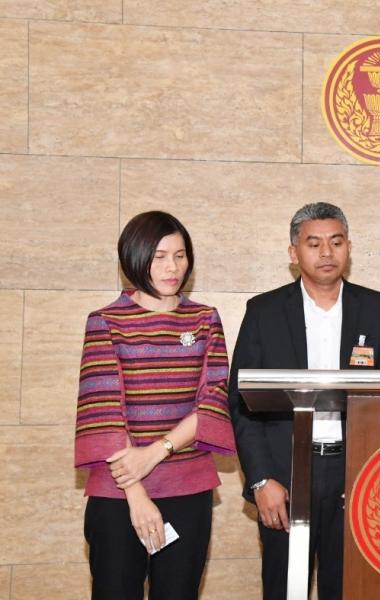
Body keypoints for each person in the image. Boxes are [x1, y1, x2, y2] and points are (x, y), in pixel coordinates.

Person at [228, 202, 380, 600]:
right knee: (284, 588)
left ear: (349, 248)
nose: (327, 252)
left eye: (336, 242)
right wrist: (261, 479)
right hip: (285, 475)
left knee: (350, 589)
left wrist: (373, 474)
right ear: (294, 253)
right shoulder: (264, 312)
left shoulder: (378, 310)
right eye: (314, 244)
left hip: (355, 475)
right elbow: (240, 402)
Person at [75, 211, 236, 599]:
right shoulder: (106, 321)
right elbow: (102, 412)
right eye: (159, 256)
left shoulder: (204, 319)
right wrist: (136, 493)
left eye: (180, 256)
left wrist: (156, 452)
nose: (172, 267)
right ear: (135, 257)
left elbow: (214, 399)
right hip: (118, 492)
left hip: (187, 486)